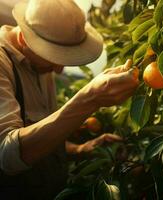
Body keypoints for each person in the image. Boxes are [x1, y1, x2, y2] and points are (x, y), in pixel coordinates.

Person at [0, 0, 139, 199]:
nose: (59, 69)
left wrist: (79, 149)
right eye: (54, 58)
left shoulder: (39, 63)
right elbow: (7, 155)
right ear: (24, 39)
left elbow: (40, 130)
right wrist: (89, 99)